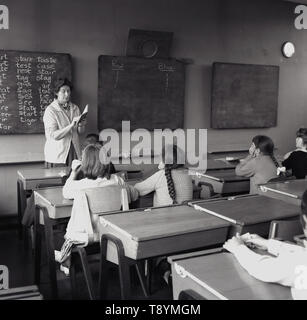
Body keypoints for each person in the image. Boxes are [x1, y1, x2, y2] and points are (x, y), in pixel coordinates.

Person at [55, 144, 138, 274]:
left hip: (89, 236)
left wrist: (73, 172)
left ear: (85, 164)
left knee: (65, 234)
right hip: (114, 234)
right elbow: (134, 194)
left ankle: (65, 258)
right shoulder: (117, 180)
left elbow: (65, 192)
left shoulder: (81, 185)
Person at [223, 189, 307, 300]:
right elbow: (301, 253)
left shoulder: (299, 263)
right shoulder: (300, 259)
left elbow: (262, 268)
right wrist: (268, 244)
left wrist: (238, 248)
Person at [43, 78, 86, 167]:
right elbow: (54, 135)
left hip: (74, 151)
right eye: (63, 91)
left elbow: (80, 132)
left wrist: (82, 124)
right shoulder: (50, 110)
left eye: (68, 91)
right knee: (59, 179)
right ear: (56, 93)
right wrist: (71, 125)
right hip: (57, 155)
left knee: (74, 178)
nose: (67, 94)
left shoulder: (75, 108)